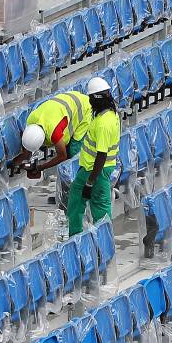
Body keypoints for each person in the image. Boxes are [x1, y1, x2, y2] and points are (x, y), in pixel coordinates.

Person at [66, 78, 119, 236]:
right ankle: (103, 242)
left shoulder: (103, 124)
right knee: (98, 206)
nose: (89, 102)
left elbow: (101, 156)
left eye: (90, 99)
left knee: (86, 205)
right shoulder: (111, 115)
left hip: (94, 171)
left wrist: (90, 183)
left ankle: (76, 237)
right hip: (98, 170)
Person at [10, 85, 96, 178]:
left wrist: (39, 168)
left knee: (72, 151)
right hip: (67, 101)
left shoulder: (54, 133)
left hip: (83, 108)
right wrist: (15, 163)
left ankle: (76, 181)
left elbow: (62, 156)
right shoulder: (31, 121)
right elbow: (28, 149)